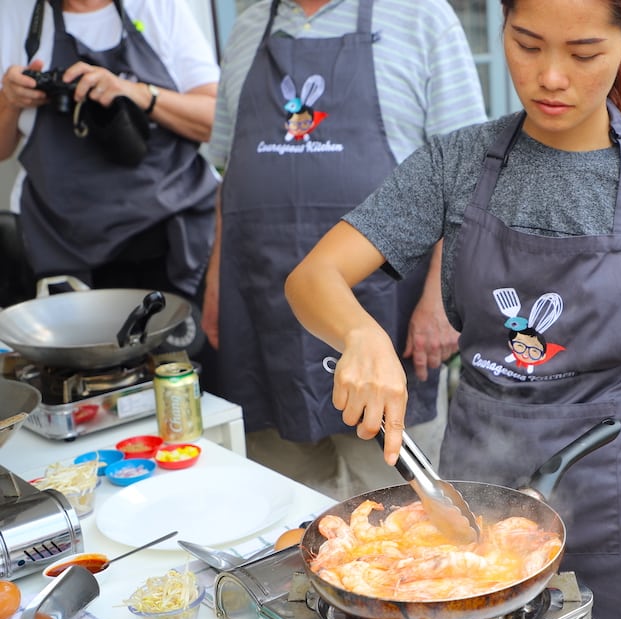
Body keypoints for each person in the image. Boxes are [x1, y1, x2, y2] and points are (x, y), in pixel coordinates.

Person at [285, 0, 621, 619]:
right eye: (527, 45)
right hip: (473, 487)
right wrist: (361, 333)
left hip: (619, 486)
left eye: (583, 54)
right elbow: (312, 277)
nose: (551, 76)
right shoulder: (456, 162)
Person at [200, 0, 486, 501]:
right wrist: (215, 284)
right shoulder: (248, 29)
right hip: (266, 317)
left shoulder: (422, 17)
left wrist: (443, 299)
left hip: (389, 319)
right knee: (285, 514)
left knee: (401, 522)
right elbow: (228, 174)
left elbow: (468, 176)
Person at [0, 0, 219, 317]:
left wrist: (134, 93)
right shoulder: (14, 15)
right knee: (87, 364)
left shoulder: (158, 8)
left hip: (174, 241)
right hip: (65, 251)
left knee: (184, 361)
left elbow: (215, 120)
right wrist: (10, 101)